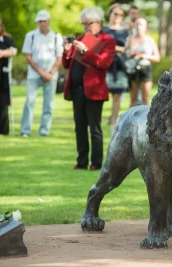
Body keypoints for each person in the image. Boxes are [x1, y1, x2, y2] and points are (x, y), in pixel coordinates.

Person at [62, 7, 115, 171]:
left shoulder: (108, 40)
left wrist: (85, 51)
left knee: (95, 128)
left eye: (88, 23)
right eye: (83, 24)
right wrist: (65, 52)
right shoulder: (80, 38)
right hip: (77, 89)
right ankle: (81, 161)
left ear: (99, 23)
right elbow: (66, 64)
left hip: (94, 90)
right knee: (79, 126)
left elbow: (104, 63)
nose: (85, 27)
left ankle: (96, 163)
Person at [20, 10, 63, 137]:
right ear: (37, 22)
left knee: (48, 104)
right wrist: (41, 72)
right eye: (40, 21)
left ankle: (44, 130)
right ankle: (25, 130)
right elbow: (28, 56)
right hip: (34, 74)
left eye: (44, 21)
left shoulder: (56, 36)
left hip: (51, 75)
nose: (42, 23)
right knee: (29, 102)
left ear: (48, 21)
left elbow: (59, 57)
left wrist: (50, 72)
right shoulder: (31, 35)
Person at [102, 4, 129, 130]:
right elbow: (99, 46)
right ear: (110, 14)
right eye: (115, 14)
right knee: (101, 94)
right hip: (104, 65)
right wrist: (117, 48)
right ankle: (96, 121)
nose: (118, 17)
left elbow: (127, 48)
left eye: (121, 15)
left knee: (117, 96)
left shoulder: (125, 31)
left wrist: (111, 47)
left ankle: (114, 122)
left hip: (120, 66)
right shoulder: (103, 30)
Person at [127, 17, 160, 107]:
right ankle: (131, 119)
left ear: (145, 27)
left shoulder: (149, 40)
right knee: (133, 98)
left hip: (145, 68)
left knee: (145, 98)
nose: (138, 26)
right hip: (133, 68)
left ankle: (146, 120)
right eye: (136, 24)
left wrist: (145, 56)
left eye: (141, 24)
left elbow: (157, 57)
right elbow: (127, 54)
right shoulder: (131, 39)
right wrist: (132, 54)